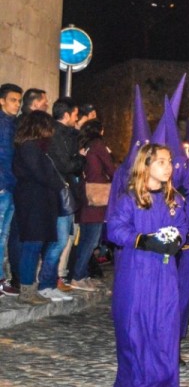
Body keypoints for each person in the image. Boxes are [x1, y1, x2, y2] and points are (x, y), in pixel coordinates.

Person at [107, 143, 187, 387]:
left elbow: (182, 227)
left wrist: (176, 240)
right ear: (146, 164)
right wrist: (143, 240)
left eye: (170, 161)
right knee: (134, 327)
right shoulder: (130, 199)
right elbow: (115, 230)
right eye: (162, 161)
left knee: (164, 327)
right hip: (136, 271)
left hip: (164, 273)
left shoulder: (174, 200)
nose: (169, 167)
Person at [12, 111, 66, 305]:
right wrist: (58, 183)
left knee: (34, 245)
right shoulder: (30, 147)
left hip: (38, 201)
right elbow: (41, 174)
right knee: (32, 246)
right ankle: (27, 290)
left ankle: (29, 288)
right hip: (33, 202)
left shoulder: (35, 147)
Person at [69, 119, 116, 291]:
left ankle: (82, 274)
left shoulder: (84, 144)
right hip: (96, 196)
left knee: (85, 238)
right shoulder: (98, 145)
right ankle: (78, 276)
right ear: (99, 131)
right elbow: (110, 168)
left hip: (84, 194)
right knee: (91, 239)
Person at [48, 97, 85, 293]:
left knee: (63, 239)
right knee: (59, 240)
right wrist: (81, 158)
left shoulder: (68, 134)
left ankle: (52, 280)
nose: (77, 118)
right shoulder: (56, 135)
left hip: (67, 190)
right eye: (75, 114)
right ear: (66, 114)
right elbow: (66, 165)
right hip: (59, 192)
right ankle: (48, 281)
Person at [0, 83, 22, 297]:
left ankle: (1, 279)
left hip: (11, 186)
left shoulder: (13, 124)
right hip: (3, 187)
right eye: (13, 100)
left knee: (3, 235)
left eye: (19, 101)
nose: (17, 104)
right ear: (2, 100)